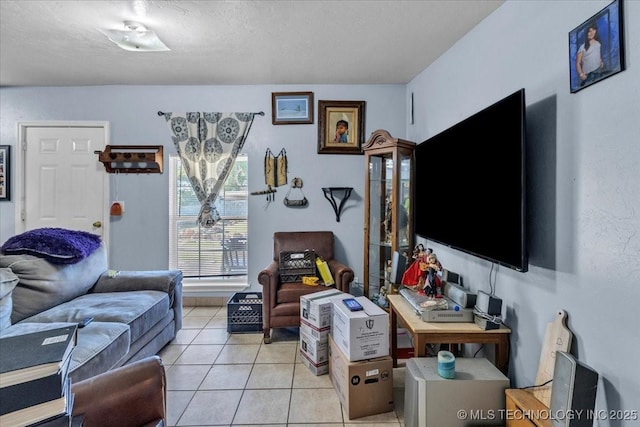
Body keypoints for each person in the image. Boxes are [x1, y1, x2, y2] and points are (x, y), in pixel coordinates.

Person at [576, 22, 604, 86]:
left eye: (593, 30)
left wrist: (601, 62)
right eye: (589, 31)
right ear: (586, 33)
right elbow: (578, 63)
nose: (591, 33)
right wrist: (581, 74)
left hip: (598, 71)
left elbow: (597, 55)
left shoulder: (598, 43)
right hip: (588, 75)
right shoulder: (582, 47)